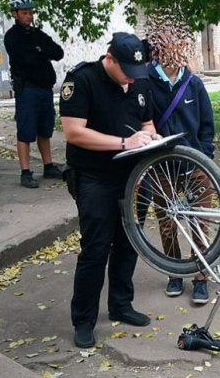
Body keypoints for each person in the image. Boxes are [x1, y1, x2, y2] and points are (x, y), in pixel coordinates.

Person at [59, 32, 159, 348]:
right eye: (126, 70)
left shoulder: (139, 80)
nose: (131, 78)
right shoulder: (82, 80)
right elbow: (74, 133)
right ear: (110, 58)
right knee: (96, 248)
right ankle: (84, 320)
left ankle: (121, 304)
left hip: (132, 177)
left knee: (129, 242)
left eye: (136, 72)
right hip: (94, 177)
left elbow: (148, 124)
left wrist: (151, 138)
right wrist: (123, 143)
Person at [143, 17, 215, 304]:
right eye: (169, 42)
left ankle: (200, 275)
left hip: (195, 162)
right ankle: (174, 272)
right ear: (159, 47)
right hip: (162, 166)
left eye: (179, 41)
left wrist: (204, 155)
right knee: (167, 221)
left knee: (201, 221)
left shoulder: (193, 83)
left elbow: (207, 123)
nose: (176, 47)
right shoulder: (145, 83)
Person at [4, 0, 65, 188]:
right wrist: (41, 52)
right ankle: (25, 172)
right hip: (27, 90)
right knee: (26, 131)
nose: (29, 16)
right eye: (24, 13)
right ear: (15, 14)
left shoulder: (38, 34)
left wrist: (40, 51)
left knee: (44, 130)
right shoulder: (13, 37)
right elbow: (26, 58)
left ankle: (48, 166)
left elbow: (58, 52)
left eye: (30, 12)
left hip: (44, 89)